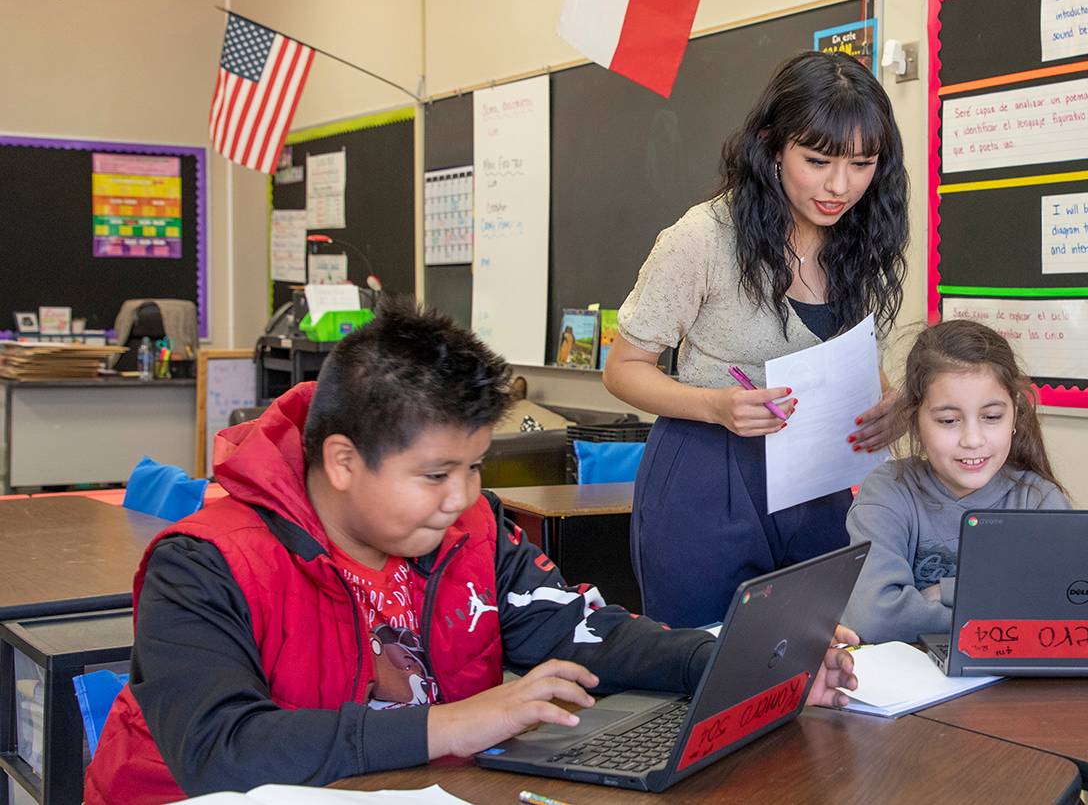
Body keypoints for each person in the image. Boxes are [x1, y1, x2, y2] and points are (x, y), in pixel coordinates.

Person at [84, 300, 857, 804]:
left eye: (475, 465)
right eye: (435, 474)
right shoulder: (204, 565)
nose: (463, 498)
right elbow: (220, 751)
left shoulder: (465, 532)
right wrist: (451, 725)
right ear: (345, 461)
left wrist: (733, 664)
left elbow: (586, 631)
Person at [603, 50, 910, 627]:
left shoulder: (859, 238)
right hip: (707, 475)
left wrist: (889, 405)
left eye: (863, 164)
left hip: (815, 478)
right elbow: (623, 368)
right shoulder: (701, 239)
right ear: (771, 146)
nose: (839, 187)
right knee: (704, 662)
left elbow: (854, 352)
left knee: (815, 657)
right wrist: (714, 406)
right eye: (817, 161)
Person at [842, 320, 1071, 643]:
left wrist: (944, 591)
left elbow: (1058, 612)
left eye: (992, 417)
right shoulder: (888, 489)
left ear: (1015, 414)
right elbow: (873, 617)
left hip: (1010, 691)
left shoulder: (1039, 501)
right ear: (915, 420)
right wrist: (1003, 611)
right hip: (912, 688)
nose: (973, 439)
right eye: (949, 420)